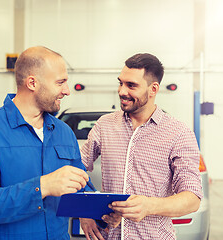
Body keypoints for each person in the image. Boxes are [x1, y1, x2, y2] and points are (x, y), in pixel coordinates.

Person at [0, 46, 94, 240]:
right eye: (60, 82)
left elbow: (80, 186)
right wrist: (42, 187)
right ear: (32, 83)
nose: (67, 91)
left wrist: (100, 209)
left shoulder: (63, 132)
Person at [80, 53, 203, 240]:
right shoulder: (104, 125)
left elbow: (192, 198)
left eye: (131, 85)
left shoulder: (178, 133)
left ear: (153, 89)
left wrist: (149, 206)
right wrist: (84, 211)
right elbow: (75, 168)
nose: (122, 91)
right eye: (121, 83)